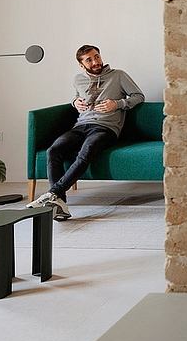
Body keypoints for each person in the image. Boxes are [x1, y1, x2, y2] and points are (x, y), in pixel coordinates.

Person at [27, 45, 144, 220]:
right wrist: (75, 102)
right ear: (82, 65)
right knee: (54, 150)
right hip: (80, 126)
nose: (96, 61)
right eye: (89, 59)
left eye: (96, 56)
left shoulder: (118, 75)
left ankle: (53, 194)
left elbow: (138, 96)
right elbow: (75, 96)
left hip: (106, 128)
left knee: (86, 151)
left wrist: (118, 104)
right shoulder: (78, 79)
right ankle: (60, 204)